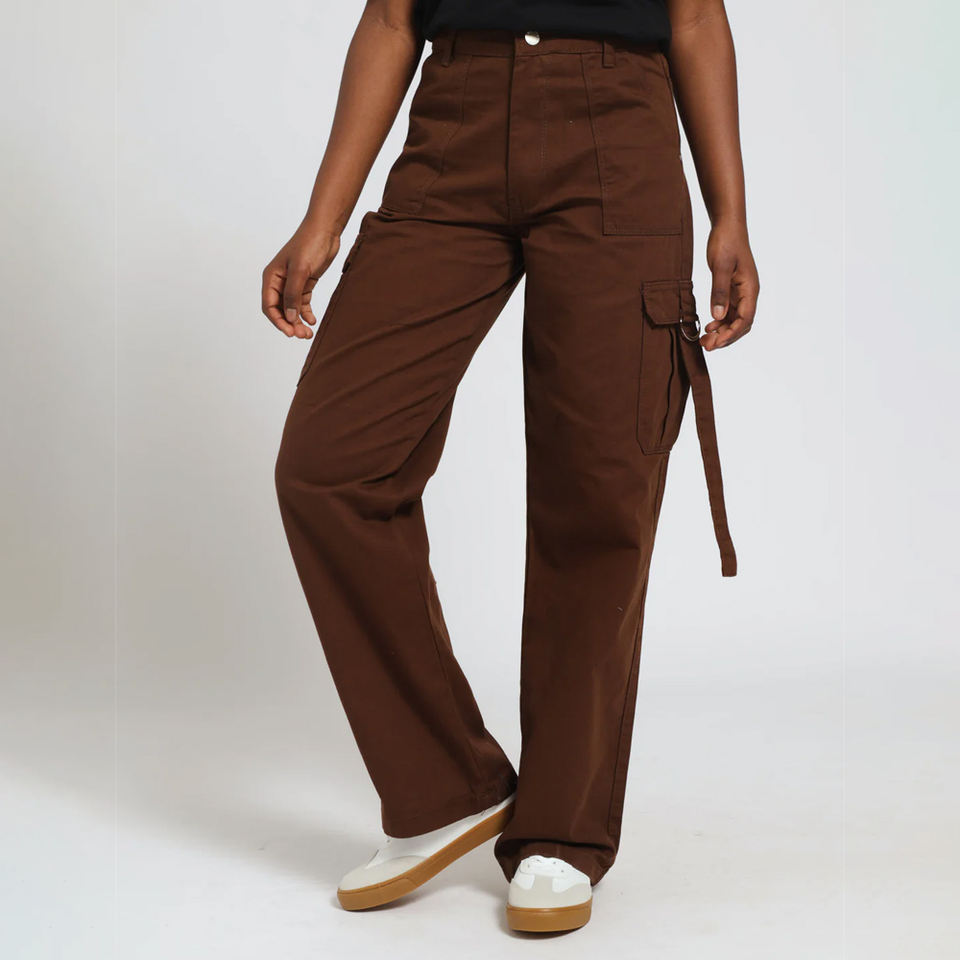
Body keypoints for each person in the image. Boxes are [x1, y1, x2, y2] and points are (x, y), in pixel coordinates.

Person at [263, 0, 758, 934]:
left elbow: (694, 17)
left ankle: (562, 830)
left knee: (597, 493)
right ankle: (446, 786)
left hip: (619, 124)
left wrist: (729, 212)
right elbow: (392, 19)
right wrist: (321, 221)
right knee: (330, 467)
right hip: (453, 120)